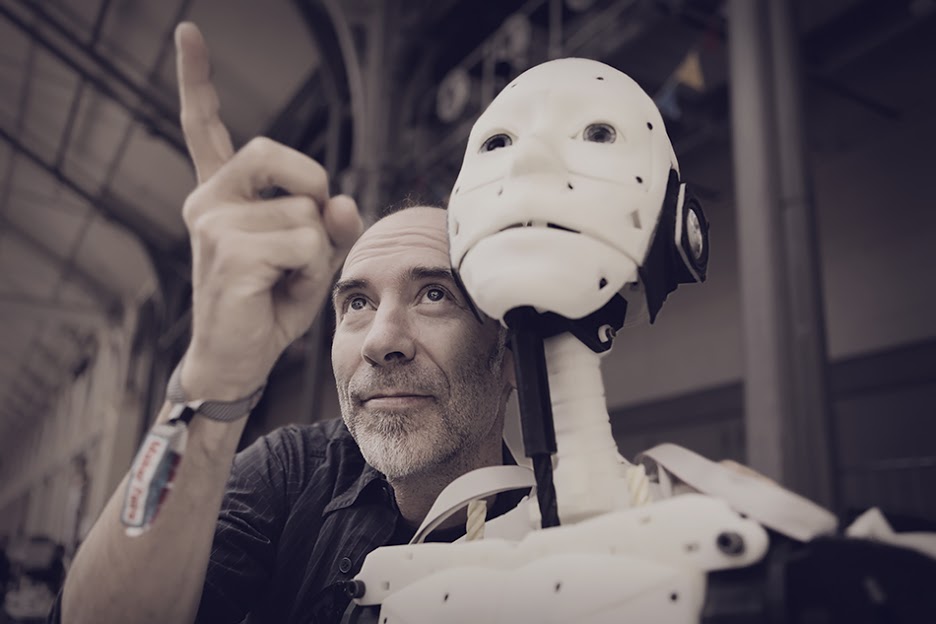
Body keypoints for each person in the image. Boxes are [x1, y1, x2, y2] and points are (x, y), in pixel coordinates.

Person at [55, 22, 522, 624]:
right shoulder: (296, 470)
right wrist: (211, 377)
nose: (381, 340)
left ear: (508, 354)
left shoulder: (555, 539)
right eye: (357, 304)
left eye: (435, 295)